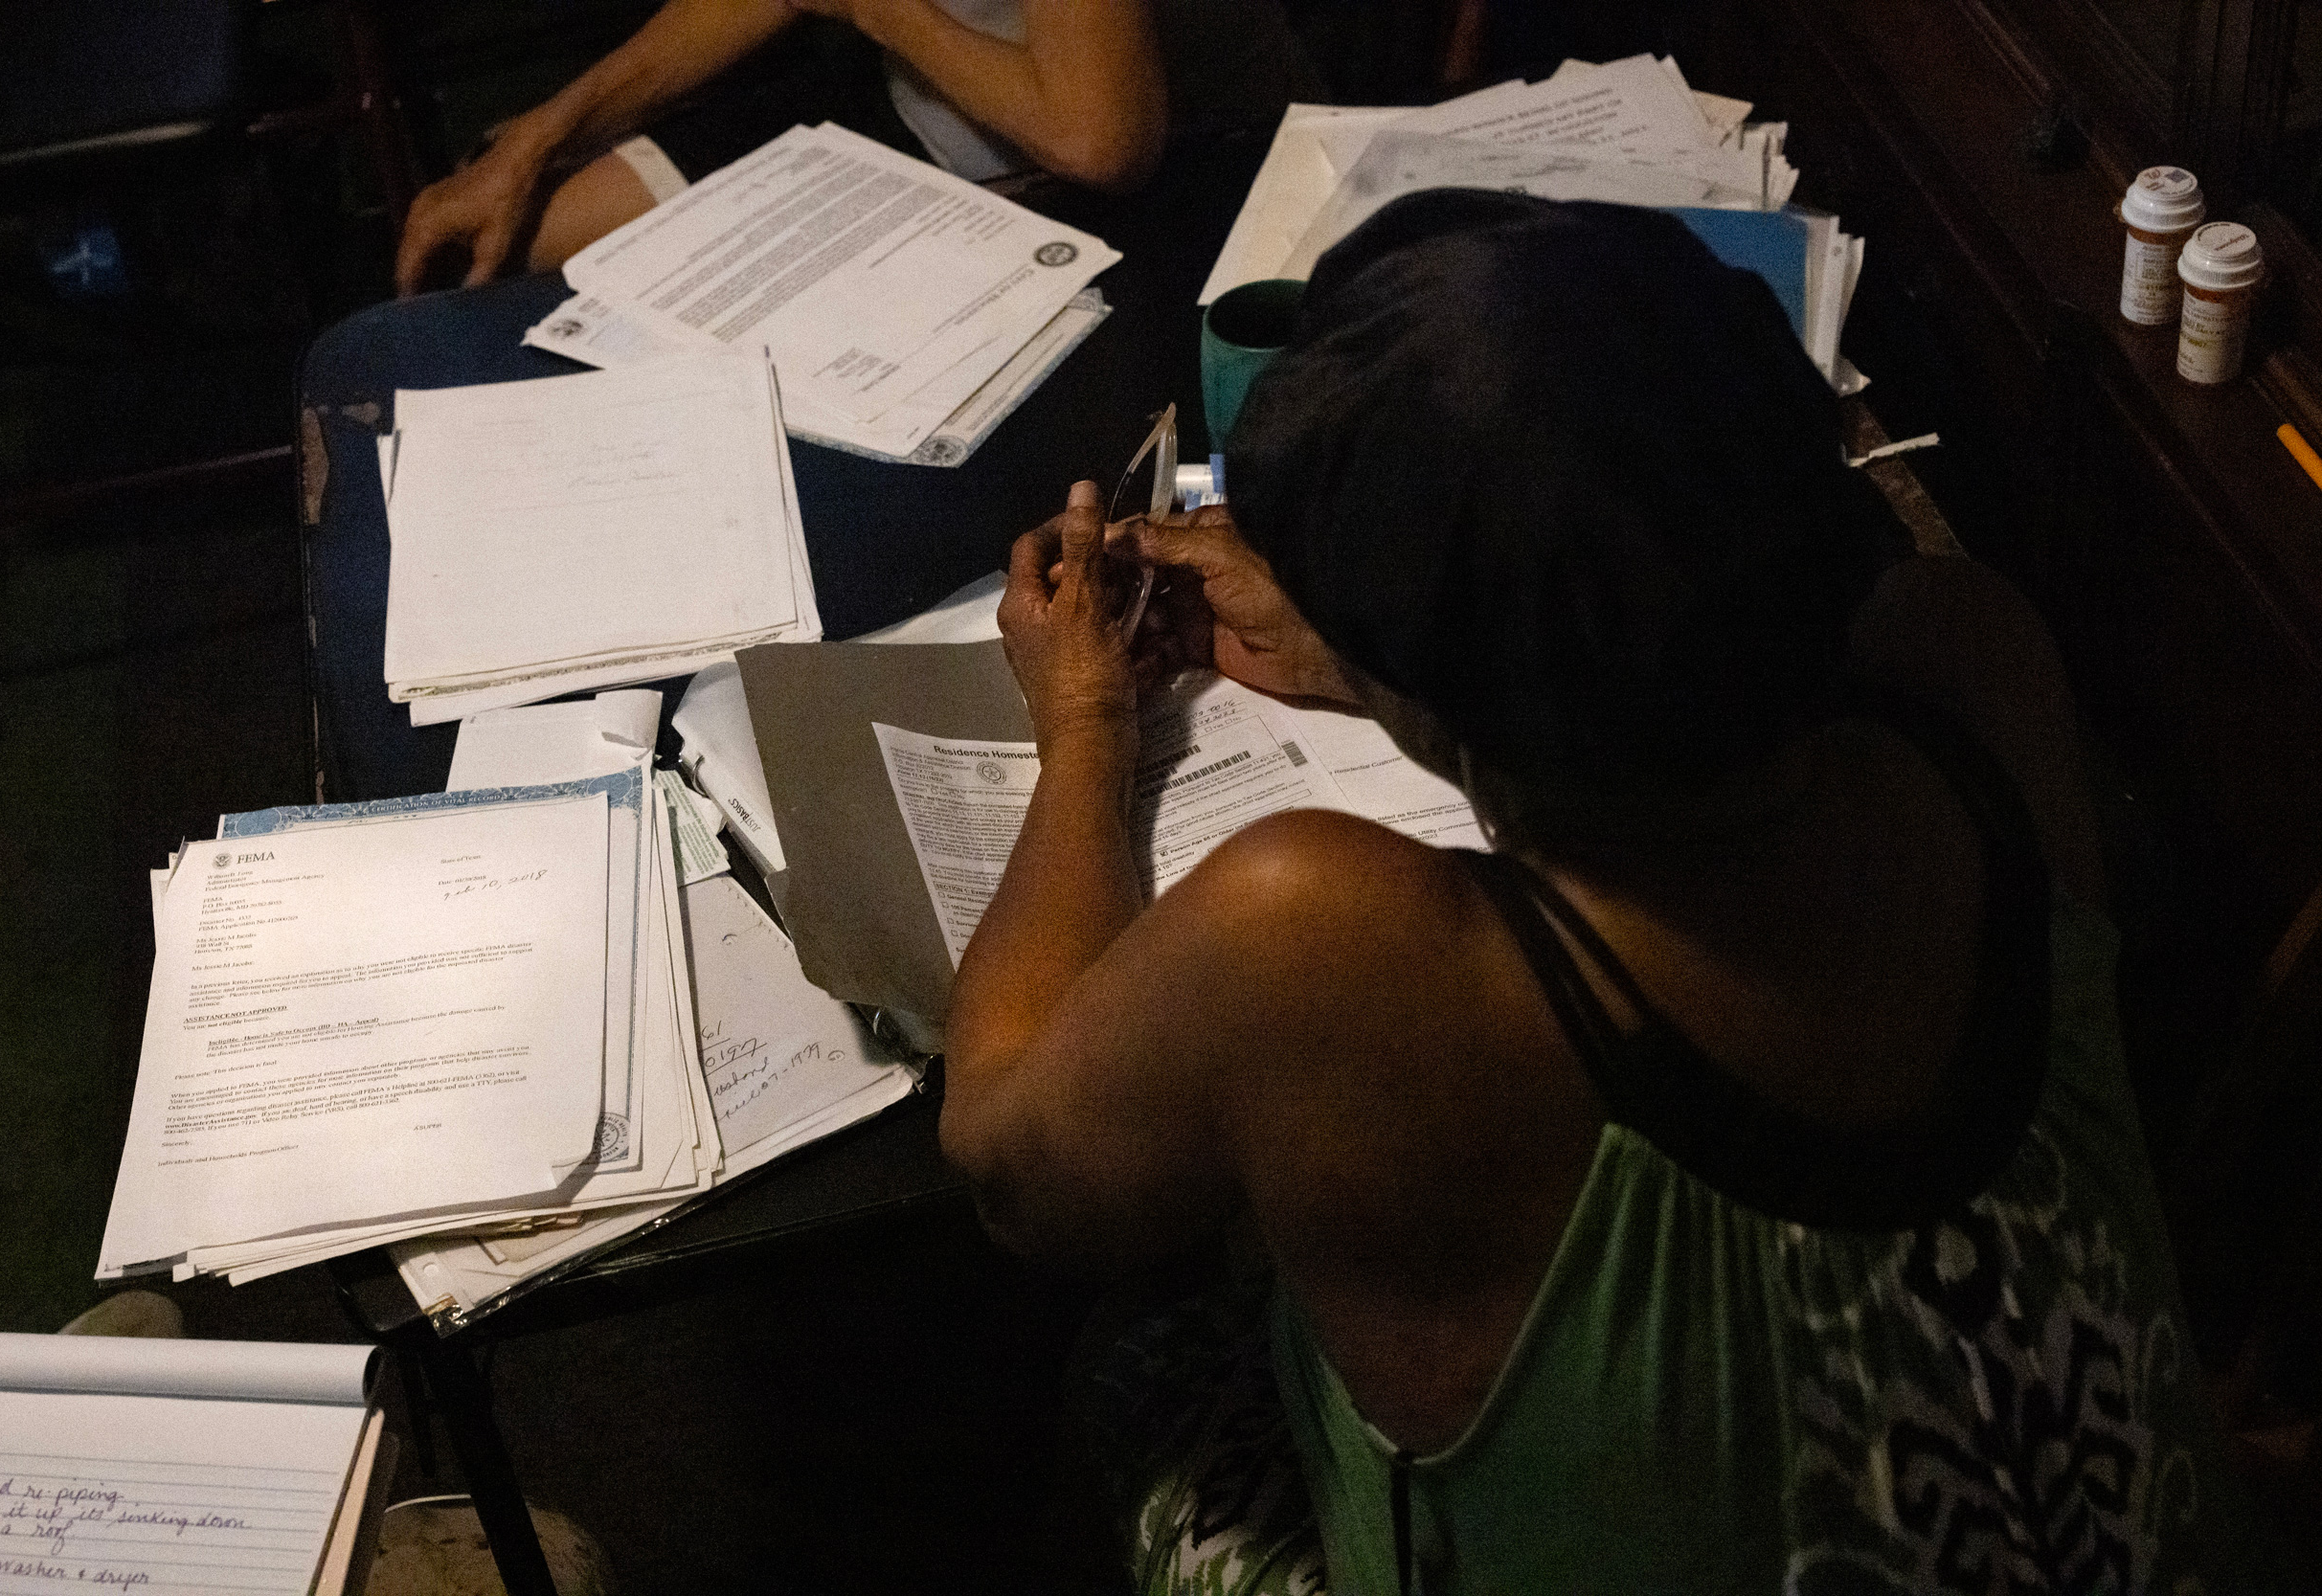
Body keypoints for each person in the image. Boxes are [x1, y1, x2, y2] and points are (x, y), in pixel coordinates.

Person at [938, 191, 2301, 1591]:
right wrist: (1405, 648)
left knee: (1144, 1354)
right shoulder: (1979, 667)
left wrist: (1088, 726)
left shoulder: (1323, 943)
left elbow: (1009, 1162)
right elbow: (1733, 669)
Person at [394, 0, 1314, 297]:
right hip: (922, 104)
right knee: (512, 244)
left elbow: (1101, 140)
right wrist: (546, 132)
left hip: (1172, 180)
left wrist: (879, 8)